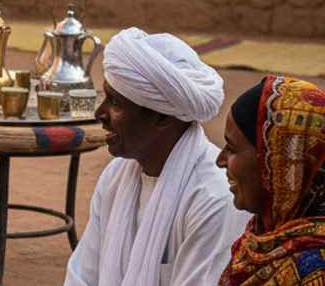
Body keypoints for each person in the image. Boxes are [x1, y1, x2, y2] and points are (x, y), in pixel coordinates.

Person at [64, 27, 249, 286]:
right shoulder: (116, 176)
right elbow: (82, 276)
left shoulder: (212, 197)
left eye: (116, 103)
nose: (100, 113)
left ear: (162, 117)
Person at [218, 75, 325, 285]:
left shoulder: (316, 269)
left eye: (232, 149)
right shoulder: (262, 236)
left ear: (280, 162)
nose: (220, 160)